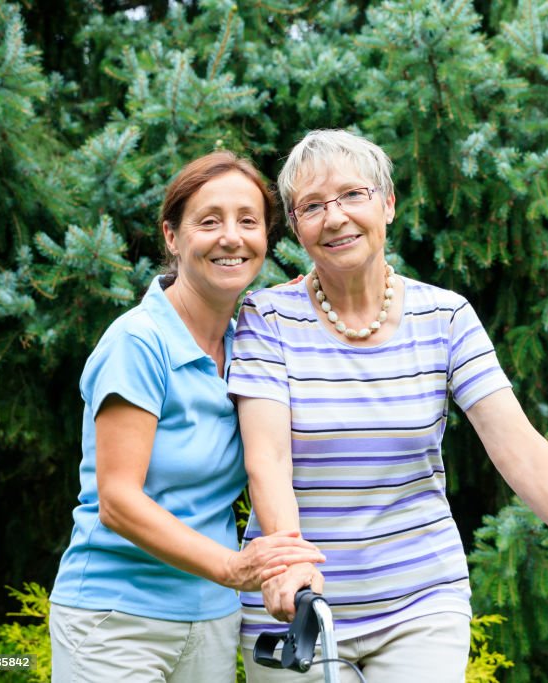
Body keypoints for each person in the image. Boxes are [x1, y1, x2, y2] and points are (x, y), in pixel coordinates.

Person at [229, 130, 548, 682]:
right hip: (296, 604)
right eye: (312, 206)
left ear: (388, 203)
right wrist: (291, 561)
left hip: (421, 600)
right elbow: (267, 458)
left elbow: (514, 442)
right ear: (297, 226)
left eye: (353, 195)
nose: (335, 217)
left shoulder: (445, 317)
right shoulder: (267, 318)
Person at [49, 151, 325, 682]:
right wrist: (231, 567)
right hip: (116, 620)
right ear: (172, 237)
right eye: (209, 221)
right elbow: (118, 502)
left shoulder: (253, 339)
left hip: (211, 621)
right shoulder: (139, 343)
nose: (231, 237)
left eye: (248, 221)